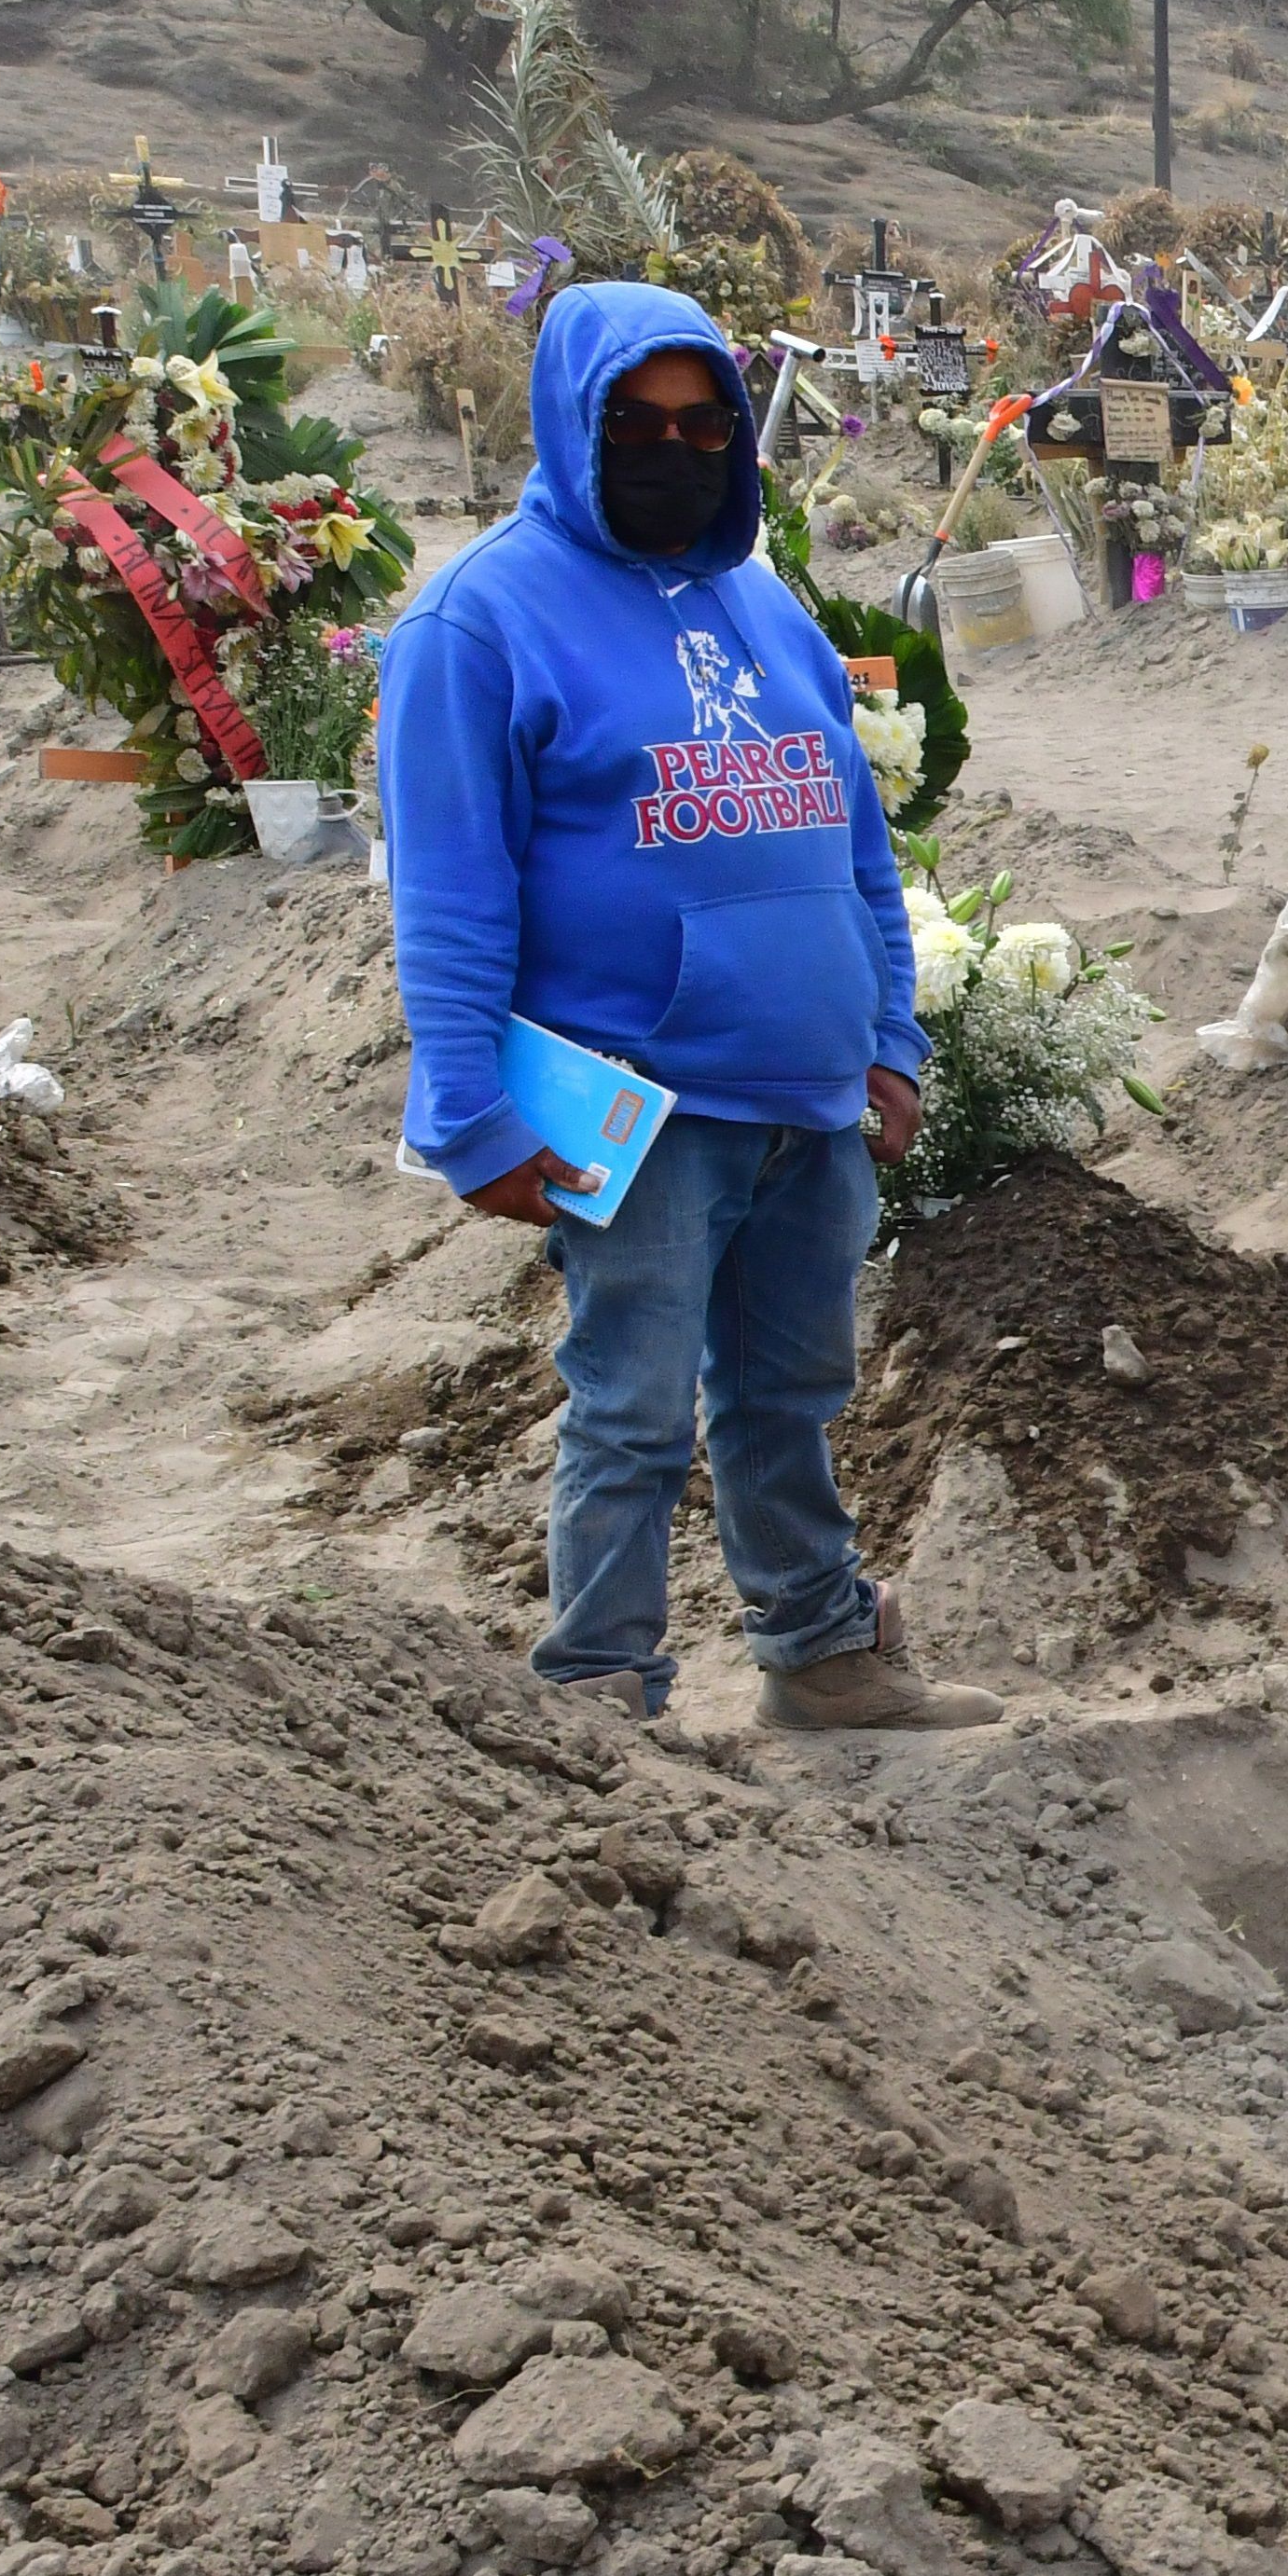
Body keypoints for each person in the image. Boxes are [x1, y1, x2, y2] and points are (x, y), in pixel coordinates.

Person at [383, 281, 994, 1733]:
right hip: (637, 1104)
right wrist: (464, 1111)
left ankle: (820, 1654)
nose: (677, 447)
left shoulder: (762, 601)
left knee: (792, 1395)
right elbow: (452, 899)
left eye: (704, 420)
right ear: (571, 422)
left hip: (809, 1099)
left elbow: (854, 846)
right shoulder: (477, 626)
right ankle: (603, 1689)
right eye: (637, 422)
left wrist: (890, 1041)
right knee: (636, 1410)